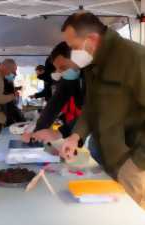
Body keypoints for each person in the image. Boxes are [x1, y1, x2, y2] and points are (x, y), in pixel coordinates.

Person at [61, 12, 145, 209]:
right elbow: (91, 107)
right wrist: (75, 136)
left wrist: (138, 163)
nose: (72, 53)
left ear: (91, 39)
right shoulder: (93, 62)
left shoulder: (135, 58)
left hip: (134, 167)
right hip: (106, 160)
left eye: (74, 47)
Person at [22, 42, 84, 144]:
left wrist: (59, 133)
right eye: (57, 69)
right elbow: (55, 102)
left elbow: (93, 112)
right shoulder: (70, 76)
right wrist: (37, 131)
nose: (60, 73)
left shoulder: (95, 75)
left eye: (63, 67)